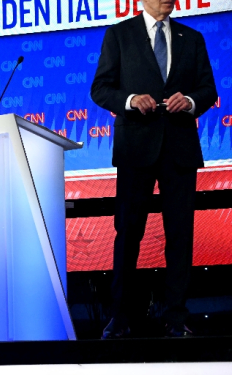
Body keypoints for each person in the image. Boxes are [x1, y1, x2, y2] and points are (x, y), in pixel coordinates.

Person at [90, 0, 217, 338]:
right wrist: (131, 100)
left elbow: (208, 89)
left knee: (180, 237)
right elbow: (100, 88)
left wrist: (189, 102)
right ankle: (120, 317)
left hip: (179, 148)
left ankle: (176, 318)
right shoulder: (119, 35)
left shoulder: (192, 38)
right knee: (128, 234)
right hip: (136, 147)